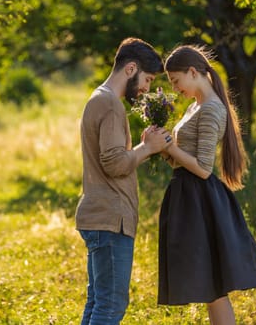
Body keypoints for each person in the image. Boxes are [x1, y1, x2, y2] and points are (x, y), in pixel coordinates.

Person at [158, 45, 256, 324]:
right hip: (189, 196)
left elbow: (204, 168)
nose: (175, 87)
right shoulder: (195, 106)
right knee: (211, 288)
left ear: (193, 72)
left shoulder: (211, 109)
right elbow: (184, 159)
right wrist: (160, 147)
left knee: (215, 287)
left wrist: (170, 148)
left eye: (176, 80)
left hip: (201, 199)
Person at [75, 37, 172, 324]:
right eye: (148, 79)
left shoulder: (99, 97)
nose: (147, 89)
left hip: (100, 217)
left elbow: (112, 156)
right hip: (110, 219)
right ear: (131, 69)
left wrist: (140, 148)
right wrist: (148, 149)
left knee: (98, 302)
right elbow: (115, 163)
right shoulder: (110, 105)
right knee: (111, 307)